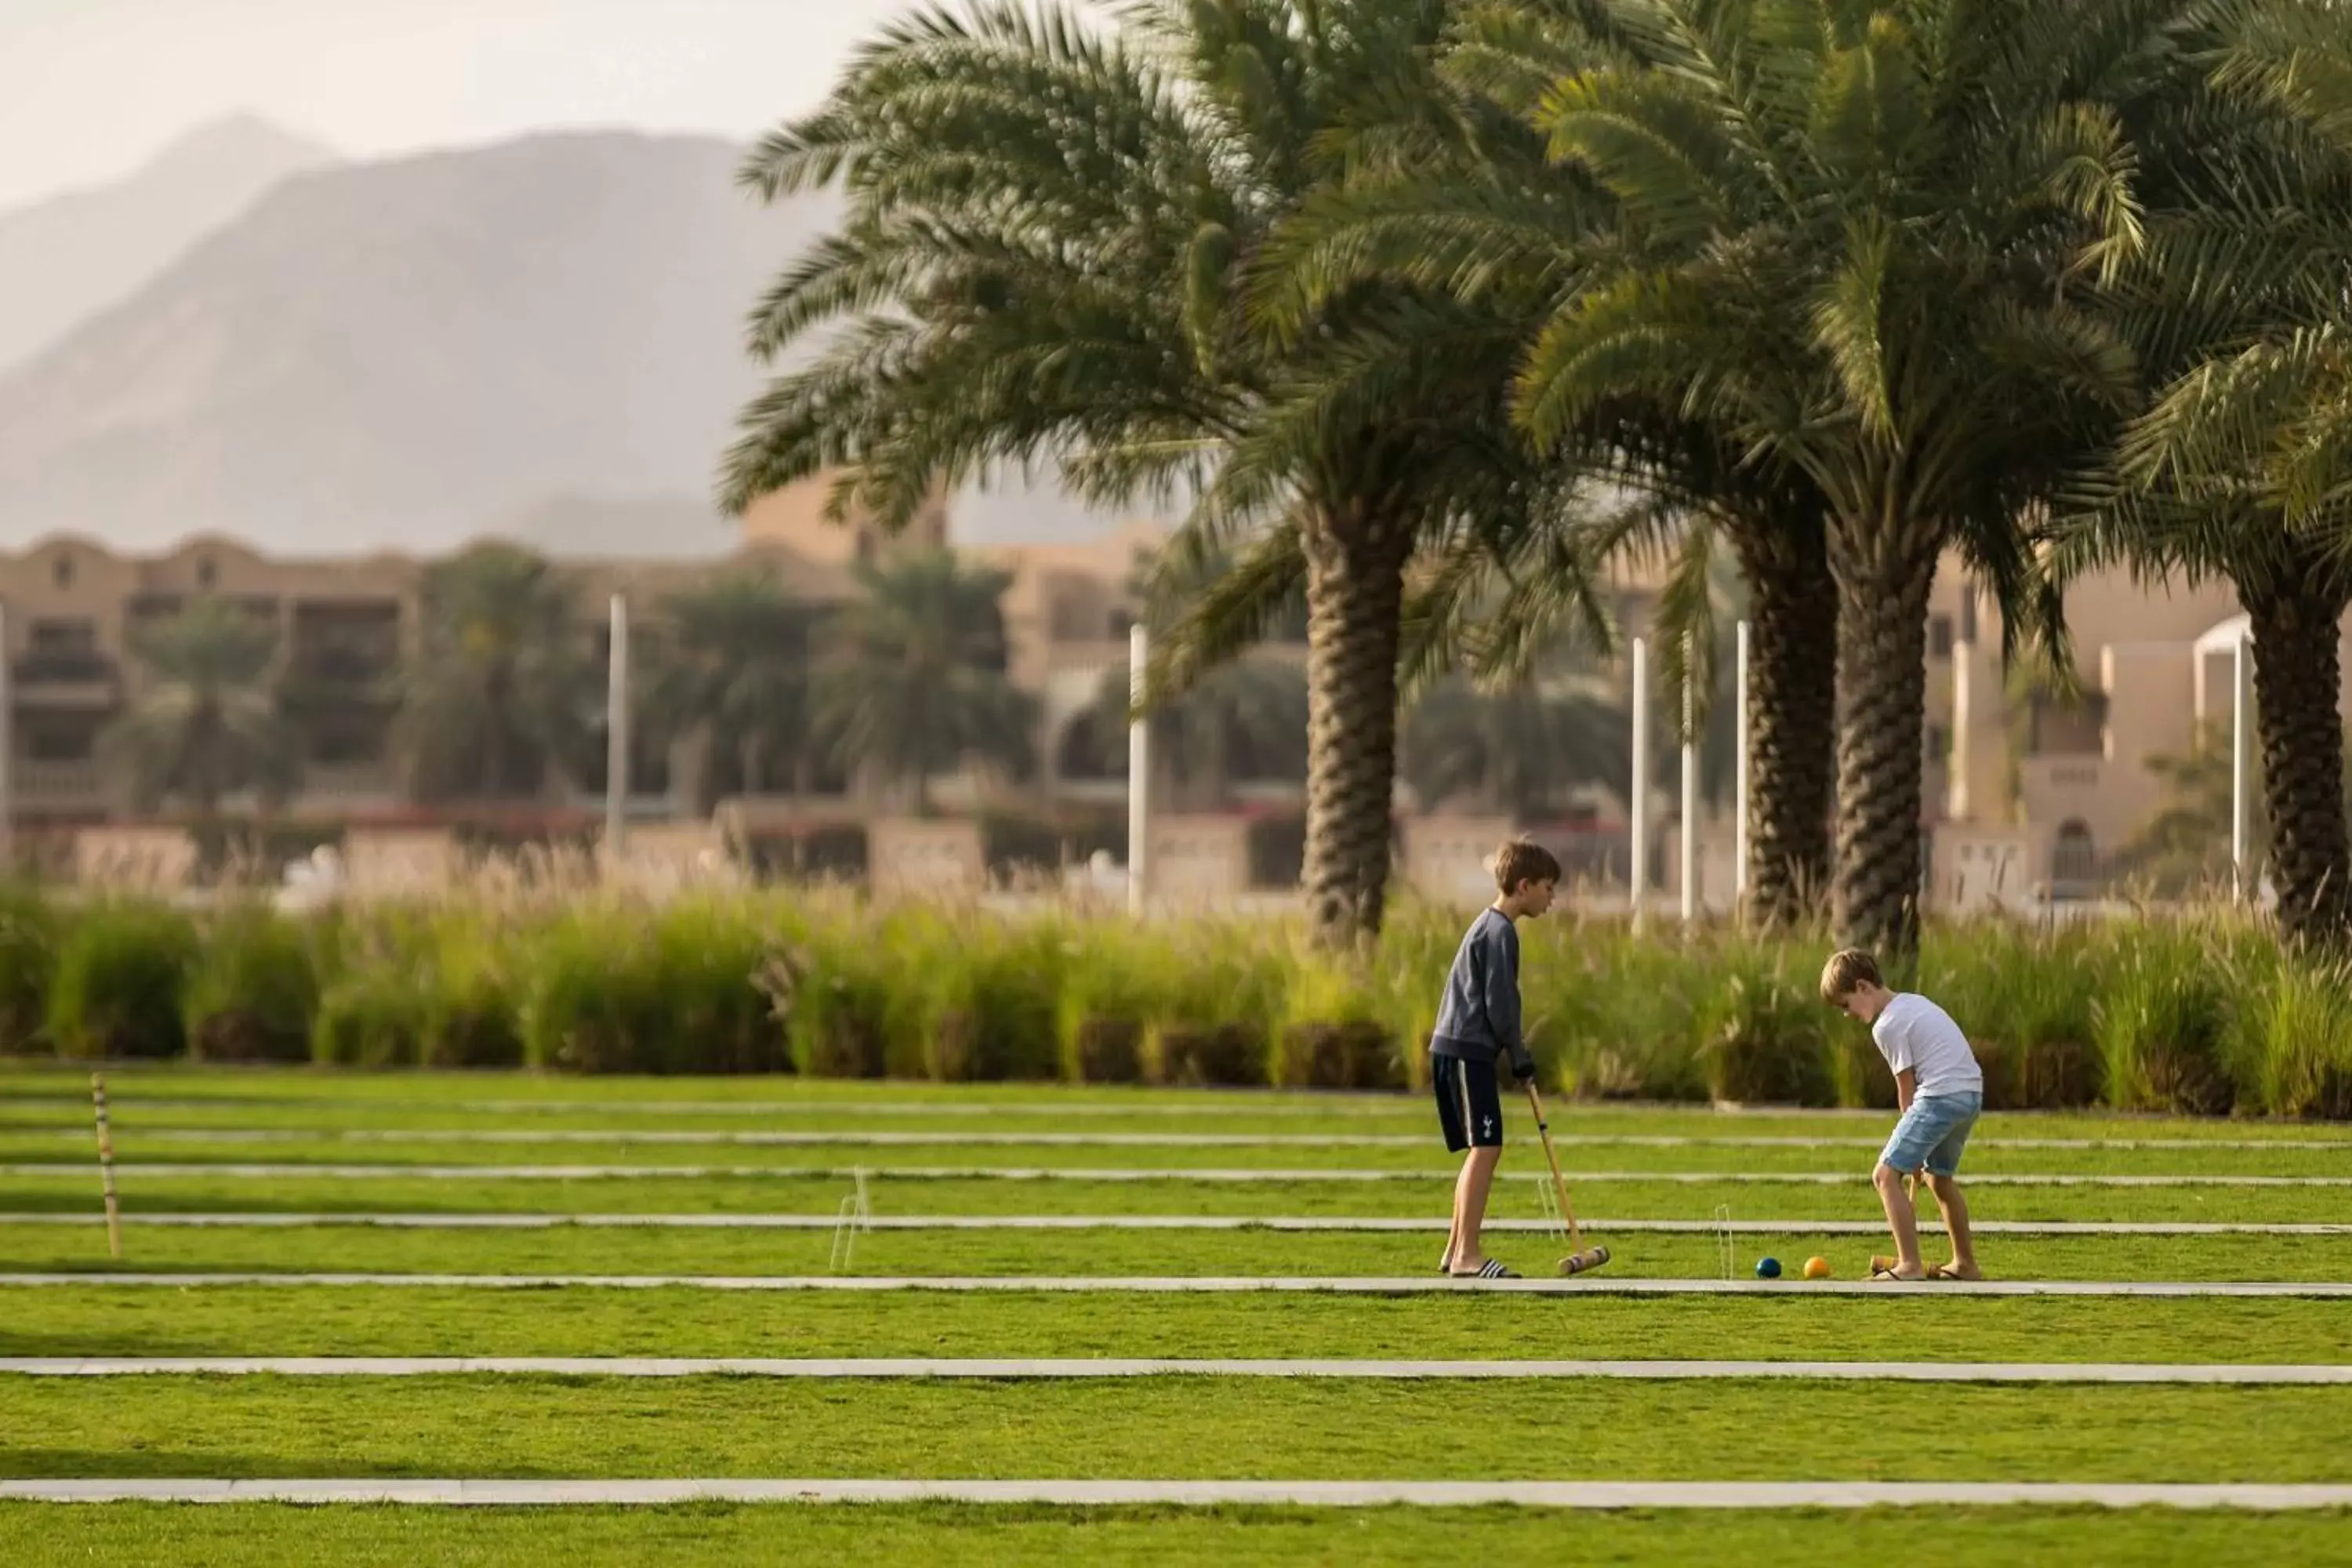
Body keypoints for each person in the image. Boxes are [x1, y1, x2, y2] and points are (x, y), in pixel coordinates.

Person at [1429, 838, 1559, 1279]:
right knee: (1486, 1147)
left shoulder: (1490, 927)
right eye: (1547, 887)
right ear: (1524, 886)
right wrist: (1519, 1056)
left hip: (1462, 1048)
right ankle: (1468, 1254)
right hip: (1467, 1049)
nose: (1551, 897)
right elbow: (1501, 1005)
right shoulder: (1500, 932)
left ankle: (1454, 1250)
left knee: (1480, 1149)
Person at [1820, 948, 1985, 1281]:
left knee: (1884, 1175)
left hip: (1939, 1095)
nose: (1847, 1014)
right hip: (1969, 1093)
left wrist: (1909, 1154)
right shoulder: (1913, 1002)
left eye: (1846, 1004)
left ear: (1864, 987)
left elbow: (1905, 1089)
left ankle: (1909, 1265)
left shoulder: (1887, 1025)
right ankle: (1965, 1264)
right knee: (1939, 1179)